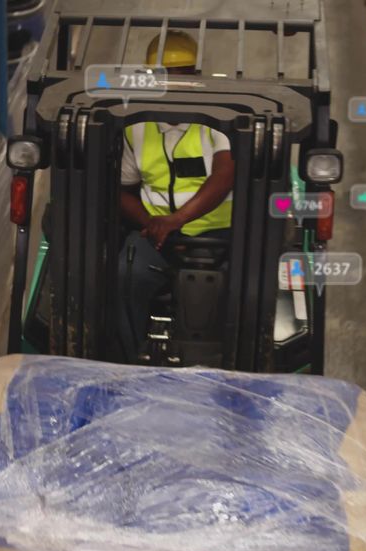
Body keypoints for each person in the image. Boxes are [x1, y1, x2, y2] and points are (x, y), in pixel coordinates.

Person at [116, 30, 236, 360]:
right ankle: (127, 359)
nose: (173, 86)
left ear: (197, 78)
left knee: (243, 287)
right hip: (156, 236)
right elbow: (122, 191)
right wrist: (156, 225)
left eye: (183, 76)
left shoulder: (220, 121)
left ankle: (233, 364)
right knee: (127, 272)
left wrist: (176, 220)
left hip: (219, 237)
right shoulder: (135, 127)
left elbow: (224, 174)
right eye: (163, 78)